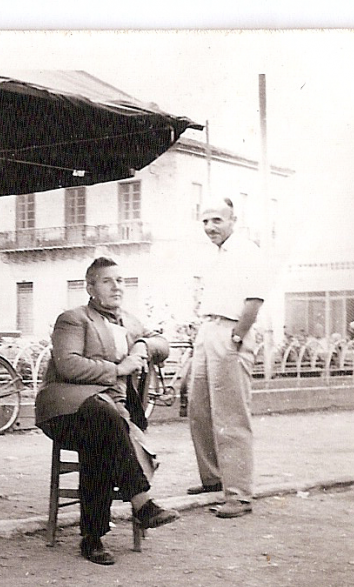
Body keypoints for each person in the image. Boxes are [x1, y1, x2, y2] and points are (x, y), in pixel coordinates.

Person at [35, 257, 178, 565]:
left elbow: (162, 344)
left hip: (108, 417)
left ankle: (93, 539)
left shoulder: (130, 322)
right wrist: (118, 369)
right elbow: (68, 364)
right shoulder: (73, 319)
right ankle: (141, 502)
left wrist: (142, 346)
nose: (116, 287)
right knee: (104, 418)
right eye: (107, 281)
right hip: (66, 411)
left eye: (120, 280)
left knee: (102, 433)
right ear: (90, 288)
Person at [187, 198, 266, 518]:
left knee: (231, 414)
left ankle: (239, 494)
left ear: (233, 220)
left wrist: (236, 336)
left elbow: (254, 300)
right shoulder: (214, 255)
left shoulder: (247, 251)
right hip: (207, 330)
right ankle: (214, 479)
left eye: (217, 220)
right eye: (205, 221)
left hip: (230, 332)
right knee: (199, 408)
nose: (210, 227)